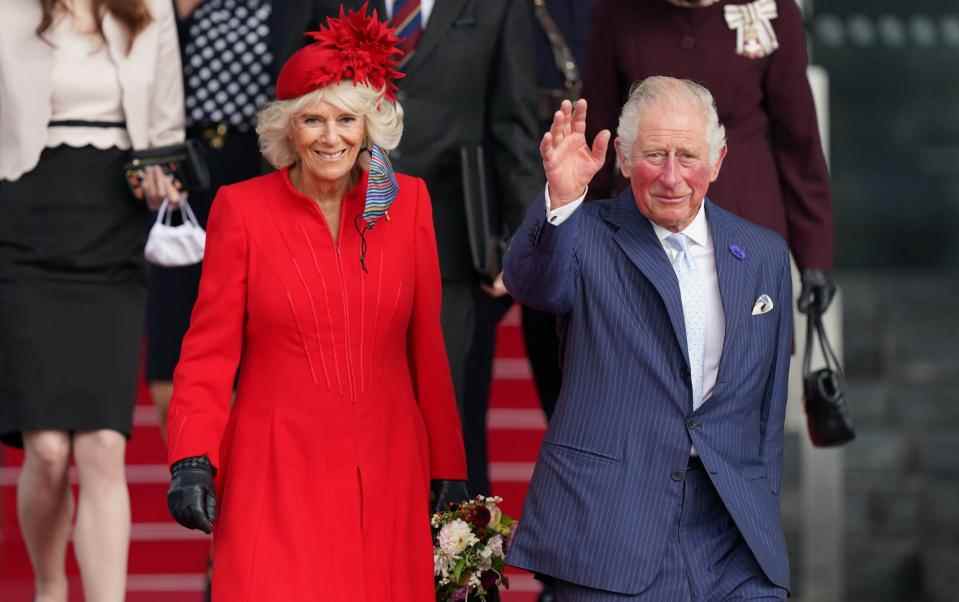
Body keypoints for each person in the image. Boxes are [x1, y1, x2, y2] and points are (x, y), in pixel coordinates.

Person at [164, 7, 467, 601]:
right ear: (286, 130)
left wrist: (447, 465)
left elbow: (428, 350)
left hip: (385, 467)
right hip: (272, 471)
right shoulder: (241, 208)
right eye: (313, 120)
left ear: (370, 127)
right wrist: (191, 458)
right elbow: (208, 352)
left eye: (347, 120)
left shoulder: (409, 205)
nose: (331, 137)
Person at [504, 77, 792, 600]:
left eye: (689, 156)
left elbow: (768, 411)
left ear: (719, 159)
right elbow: (533, 284)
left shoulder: (763, 255)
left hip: (732, 536)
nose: (672, 177)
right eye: (655, 155)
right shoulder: (586, 235)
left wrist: (762, 517)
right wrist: (563, 202)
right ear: (622, 156)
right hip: (611, 526)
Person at [0, 1, 183, 600]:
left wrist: (163, 177)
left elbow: (166, 124)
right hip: (23, 220)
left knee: (103, 443)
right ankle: (49, 586)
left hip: (114, 225)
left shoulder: (150, 8)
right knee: (48, 449)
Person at [339, 1, 543, 496]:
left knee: (449, 413)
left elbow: (514, 125)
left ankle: (450, 564)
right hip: (347, 237)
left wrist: (525, 241)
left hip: (451, 243)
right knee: (351, 413)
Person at [147, 0, 347, 443]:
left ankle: (242, 496)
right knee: (170, 367)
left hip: (263, 173)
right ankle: (193, 479)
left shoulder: (305, 8)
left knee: (255, 360)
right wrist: (178, 17)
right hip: (185, 178)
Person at [584, 0, 836, 318]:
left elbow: (798, 142)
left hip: (746, 225)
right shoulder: (619, 11)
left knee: (747, 355)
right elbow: (598, 137)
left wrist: (814, 254)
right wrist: (582, 238)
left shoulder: (773, 9)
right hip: (646, 231)